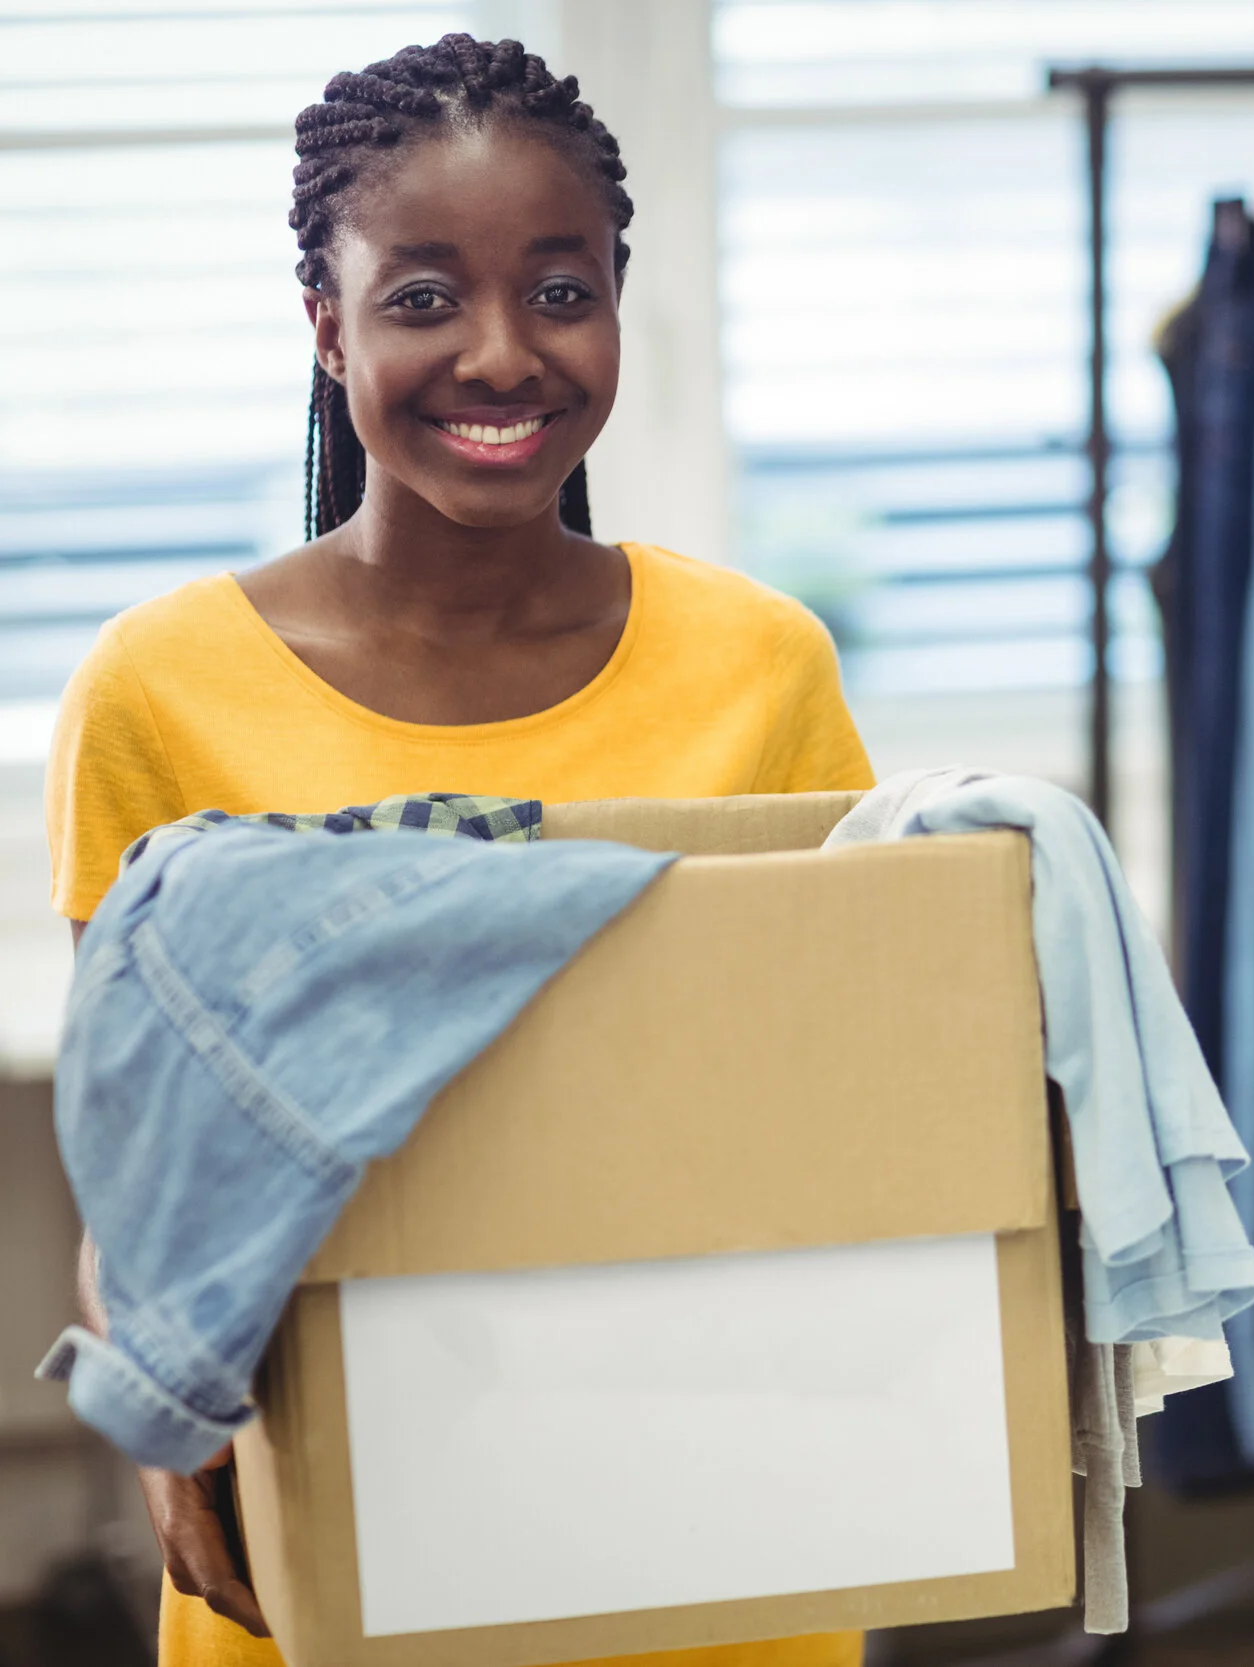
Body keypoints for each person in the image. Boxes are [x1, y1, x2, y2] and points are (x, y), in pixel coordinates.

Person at [44, 34, 874, 1667]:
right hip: (343, 1528)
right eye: (424, 297)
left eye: (561, 291)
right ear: (327, 323)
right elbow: (140, 1165)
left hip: (704, 1522)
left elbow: (849, 1108)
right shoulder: (160, 689)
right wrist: (154, 1408)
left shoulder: (762, 667)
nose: (503, 354)